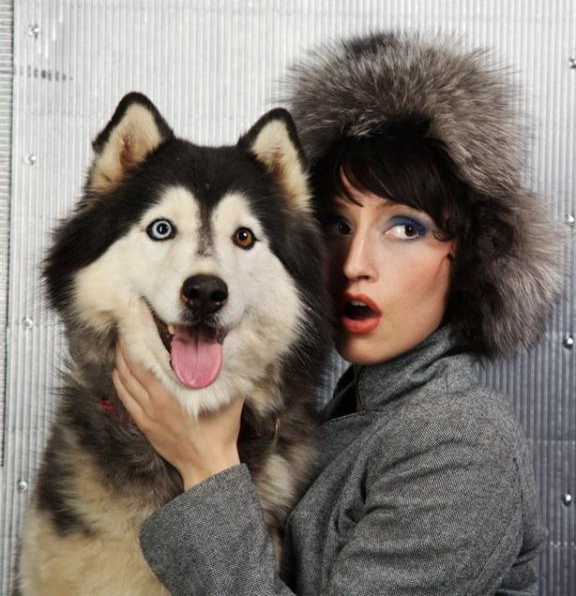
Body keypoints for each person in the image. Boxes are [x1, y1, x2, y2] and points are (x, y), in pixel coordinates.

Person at [112, 32, 561, 595]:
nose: (354, 264)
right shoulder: (343, 414)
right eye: (336, 224)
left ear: (471, 256)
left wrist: (206, 465)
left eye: (406, 228)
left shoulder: (460, 447)